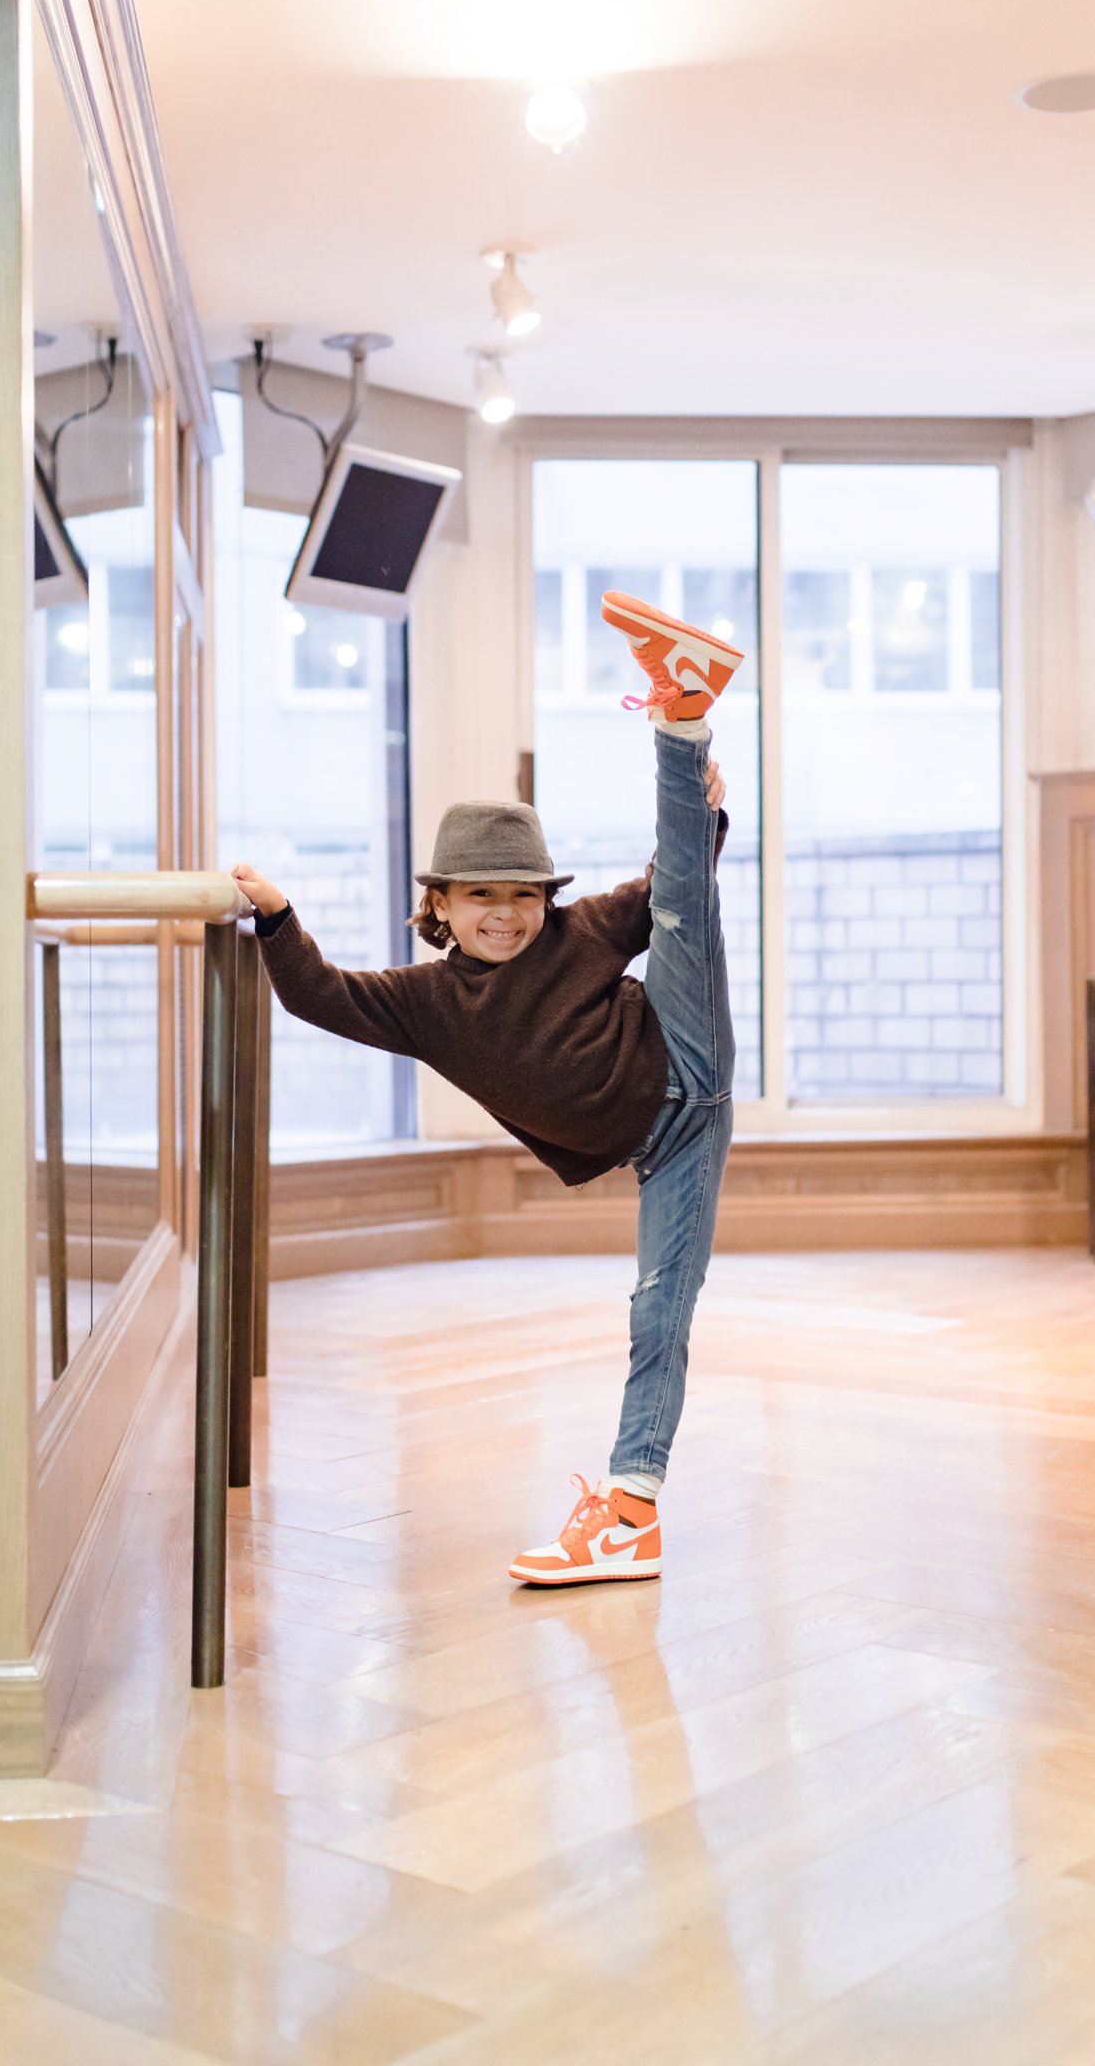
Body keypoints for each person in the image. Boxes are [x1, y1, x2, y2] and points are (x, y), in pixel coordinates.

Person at [230, 591, 743, 1585]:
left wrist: (703, 807)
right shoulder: (425, 1003)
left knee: (682, 909)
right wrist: (277, 916)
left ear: (542, 899)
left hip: (686, 1050)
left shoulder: (583, 928)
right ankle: (630, 1512)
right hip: (669, 1145)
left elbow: (676, 882)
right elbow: (316, 996)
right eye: (480, 897)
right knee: (656, 1310)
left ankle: (681, 712)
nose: (505, 916)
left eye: (520, 895)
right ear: (439, 906)